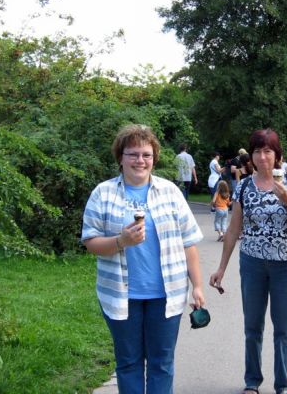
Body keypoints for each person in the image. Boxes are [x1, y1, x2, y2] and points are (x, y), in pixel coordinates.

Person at [81, 124, 205, 394]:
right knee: (129, 363)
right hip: (121, 295)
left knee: (162, 363)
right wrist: (120, 241)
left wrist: (197, 286)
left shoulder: (170, 191)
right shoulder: (103, 193)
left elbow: (189, 242)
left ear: (154, 157)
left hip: (166, 295)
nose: (140, 160)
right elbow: (90, 242)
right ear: (120, 157)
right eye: (133, 154)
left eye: (146, 155)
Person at [209, 128, 287, 394]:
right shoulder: (243, 186)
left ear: (278, 155)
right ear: (251, 155)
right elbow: (233, 230)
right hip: (252, 263)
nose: (262, 157)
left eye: (268, 151)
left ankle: (283, 384)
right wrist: (221, 268)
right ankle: (252, 381)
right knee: (253, 326)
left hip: (285, 265)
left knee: (283, 329)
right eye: (257, 151)